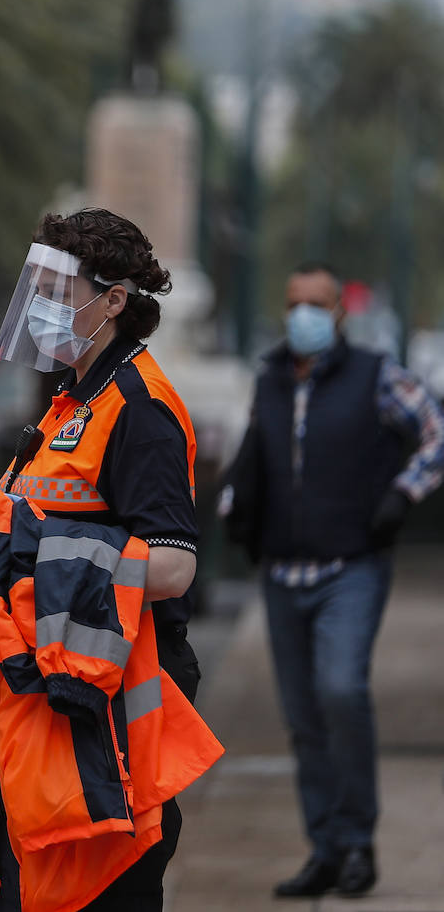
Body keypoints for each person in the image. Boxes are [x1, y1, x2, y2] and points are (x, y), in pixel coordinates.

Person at [0, 208, 208, 910]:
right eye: (38, 288)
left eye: (59, 289)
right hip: (55, 699)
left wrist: (35, 561)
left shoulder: (138, 407)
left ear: (114, 300)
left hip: (109, 718)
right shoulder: (73, 400)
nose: (42, 307)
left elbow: (173, 567)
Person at [221, 261, 444, 899]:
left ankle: (358, 839)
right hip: (282, 573)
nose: (302, 316)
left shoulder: (377, 376)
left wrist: (404, 493)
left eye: (316, 304)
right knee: (303, 717)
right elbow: (251, 455)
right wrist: (234, 510)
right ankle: (325, 848)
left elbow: (435, 432)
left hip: (351, 569)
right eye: (293, 303)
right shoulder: (267, 379)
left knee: (342, 690)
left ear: (338, 314)